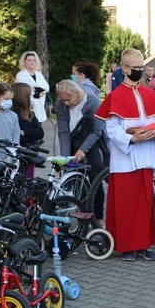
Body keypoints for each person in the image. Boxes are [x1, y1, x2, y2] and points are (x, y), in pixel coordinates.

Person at [95, 48, 155, 261]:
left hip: (146, 156)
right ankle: (126, 246)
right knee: (126, 204)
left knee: (145, 203)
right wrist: (132, 139)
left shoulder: (149, 93)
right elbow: (113, 129)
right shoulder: (115, 96)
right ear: (124, 68)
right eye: (135, 68)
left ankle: (144, 245)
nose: (139, 71)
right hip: (125, 158)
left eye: (141, 67)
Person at [54, 79, 110, 224]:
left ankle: (98, 217)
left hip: (93, 142)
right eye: (63, 100)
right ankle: (79, 215)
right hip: (74, 140)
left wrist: (83, 150)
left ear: (77, 94)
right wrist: (66, 157)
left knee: (95, 180)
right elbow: (64, 132)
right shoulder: (60, 105)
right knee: (74, 178)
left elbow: (97, 131)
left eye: (68, 99)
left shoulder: (93, 102)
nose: (66, 103)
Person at [11, 82, 44, 178]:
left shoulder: (30, 114)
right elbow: (18, 137)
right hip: (18, 155)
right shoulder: (13, 115)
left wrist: (25, 132)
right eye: (30, 95)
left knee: (29, 180)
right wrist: (29, 135)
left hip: (29, 155)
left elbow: (40, 132)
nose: (32, 98)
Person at [15, 51, 49, 123]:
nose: (32, 62)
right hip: (27, 108)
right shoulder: (20, 75)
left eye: (33, 60)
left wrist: (33, 89)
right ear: (24, 62)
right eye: (29, 60)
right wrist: (37, 94)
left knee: (39, 129)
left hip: (39, 107)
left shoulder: (39, 74)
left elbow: (46, 87)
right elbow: (22, 90)